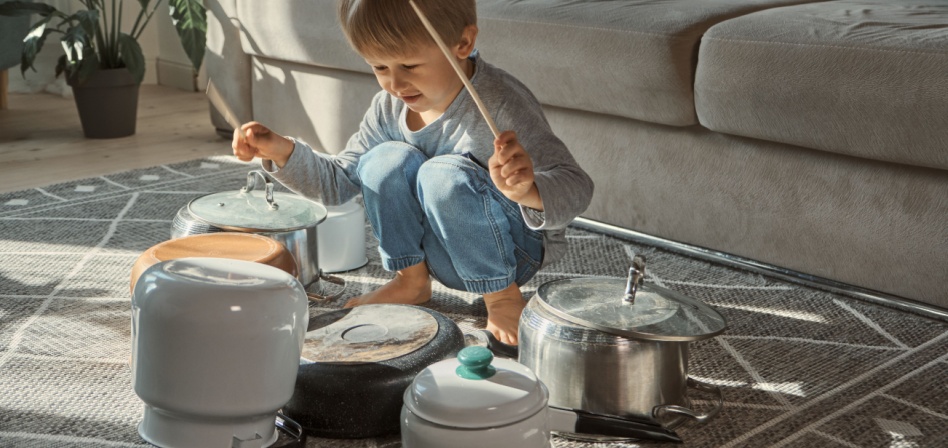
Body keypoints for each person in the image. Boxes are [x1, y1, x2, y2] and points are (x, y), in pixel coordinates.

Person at [232, 0, 593, 345]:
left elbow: (577, 186)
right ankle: (411, 281)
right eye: (379, 68)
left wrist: (526, 190)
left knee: (442, 175)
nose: (395, 84)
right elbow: (342, 182)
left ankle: (502, 297)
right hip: (442, 253)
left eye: (409, 66)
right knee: (381, 159)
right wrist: (282, 152)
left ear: (463, 43)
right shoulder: (388, 109)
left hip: (513, 253)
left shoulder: (501, 103)